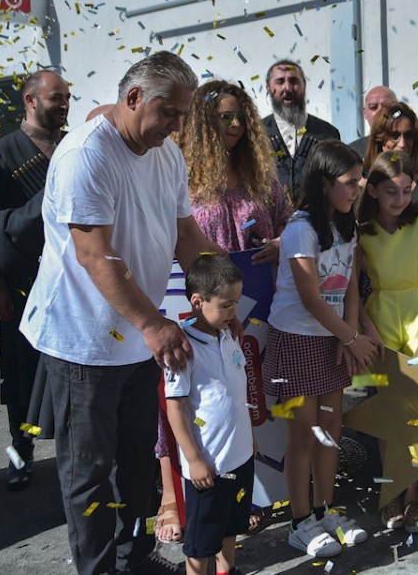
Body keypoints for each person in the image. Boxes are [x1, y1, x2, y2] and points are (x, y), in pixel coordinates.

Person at [19, 51, 231, 575]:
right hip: (83, 340)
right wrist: (154, 324)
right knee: (89, 471)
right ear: (134, 97)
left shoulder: (167, 154)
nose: (177, 126)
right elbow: (95, 253)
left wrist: (223, 292)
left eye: (183, 115)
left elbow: (186, 234)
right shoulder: (86, 154)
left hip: (137, 336)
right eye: (169, 113)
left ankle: (132, 557)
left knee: (135, 458)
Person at [163, 80, 295, 542]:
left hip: (254, 304)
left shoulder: (260, 176)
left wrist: (281, 242)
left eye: (242, 117)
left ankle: (250, 495)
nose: (236, 125)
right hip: (194, 305)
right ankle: (173, 497)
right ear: (202, 121)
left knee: (246, 396)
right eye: (225, 117)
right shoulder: (178, 173)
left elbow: (291, 221)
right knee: (188, 398)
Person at [264, 139, 376, 557]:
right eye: (350, 181)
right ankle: (300, 523)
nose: (358, 188)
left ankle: (325, 510)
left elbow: (350, 287)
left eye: (360, 179)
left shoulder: (348, 226)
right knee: (304, 433)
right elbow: (311, 297)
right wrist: (352, 338)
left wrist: (348, 335)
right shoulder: (300, 229)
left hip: (333, 339)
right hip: (295, 340)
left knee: (330, 429)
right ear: (325, 183)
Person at [0, 69, 70, 491]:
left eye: (67, 97)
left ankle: (71, 449)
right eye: (56, 97)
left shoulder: (71, 146)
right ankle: (20, 451)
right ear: (30, 100)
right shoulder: (0, 153)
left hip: (70, 281)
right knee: (21, 370)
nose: (64, 105)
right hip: (22, 282)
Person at [355, 151, 418, 532]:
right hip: (380, 319)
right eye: (391, 191)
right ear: (374, 191)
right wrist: (366, 327)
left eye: (407, 190)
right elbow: (352, 288)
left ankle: (414, 497)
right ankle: (391, 492)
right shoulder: (361, 229)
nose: (400, 199)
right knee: (388, 414)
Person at [164, 255, 254, 575]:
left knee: (231, 526)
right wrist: (194, 459)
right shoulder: (182, 349)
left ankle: (227, 570)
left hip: (239, 457)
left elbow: (237, 394)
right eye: (226, 305)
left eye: (236, 304)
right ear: (198, 301)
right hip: (209, 466)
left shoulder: (228, 335)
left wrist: (249, 439)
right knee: (201, 543)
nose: (233, 312)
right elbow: (174, 408)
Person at [263, 59, 341, 201]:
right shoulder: (256, 133)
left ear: (304, 85)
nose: (287, 88)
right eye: (280, 82)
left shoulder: (327, 133)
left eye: (294, 81)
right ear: (268, 88)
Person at [350, 85, 398, 155]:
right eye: (373, 107)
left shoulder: (413, 147)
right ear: (365, 113)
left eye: (387, 106)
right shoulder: (351, 152)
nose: (380, 111)